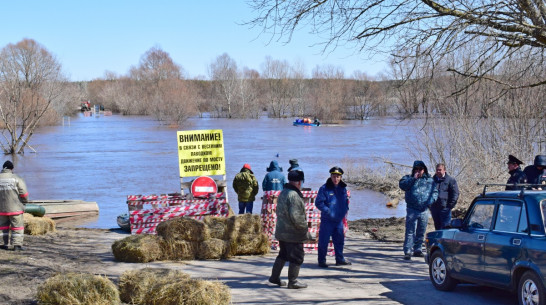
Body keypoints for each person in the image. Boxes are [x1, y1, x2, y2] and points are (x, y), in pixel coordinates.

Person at [268, 170, 311, 289]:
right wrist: (305, 229)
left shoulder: (283, 192)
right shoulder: (294, 196)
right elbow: (296, 217)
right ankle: (293, 281)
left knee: (283, 255)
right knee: (297, 257)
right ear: (299, 182)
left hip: (282, 231)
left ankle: (274, 277)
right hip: (293, 234)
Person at [399, 160, 438, 260]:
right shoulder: (408, 178)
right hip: (412, 209)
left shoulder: (429, 180)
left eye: (420, 169)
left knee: (421, 230)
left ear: (424, 169)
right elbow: (403, 186)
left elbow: (435, 192)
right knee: (410, 231)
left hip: (424, 209)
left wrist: (431, 201)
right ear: (413, 170)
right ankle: (408, 251)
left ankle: (418, 249)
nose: (418, 171)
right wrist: (413, 179)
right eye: (416, 169)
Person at [315, 166, 351, 268]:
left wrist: (344, 211)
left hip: (338, 220)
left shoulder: (342, 188)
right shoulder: (324, 188)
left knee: (339, 241)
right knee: (323, 241)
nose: (335, 179)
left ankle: (339, 259)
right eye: (334, 176)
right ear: (330, 176)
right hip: (327, 220)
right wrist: (328, 211)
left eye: (337, 177)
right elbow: (318, 202)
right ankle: (321, 261)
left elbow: (344, 202)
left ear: (340, 177)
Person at [0, 161, 29, 251]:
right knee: (17, 227)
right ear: (11, 169)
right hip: (15, 208)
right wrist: (24, 201)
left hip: (1, 209)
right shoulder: (16, 178)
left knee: (2, 227)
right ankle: (17, 245)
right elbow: (24, 193)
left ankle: (3, 244)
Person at [430, 164, 459, 230]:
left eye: (440, 170)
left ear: (444, 170)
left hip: (445, 209)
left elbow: (455, 194)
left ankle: (444, 240)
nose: (438, 171)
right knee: (437, 227)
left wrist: (449, 206)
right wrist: (430, 206)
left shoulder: (450, 180)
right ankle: (438, 240)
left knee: (445, 228)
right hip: (434, 208)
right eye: (437, 170)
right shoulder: (432, 180)